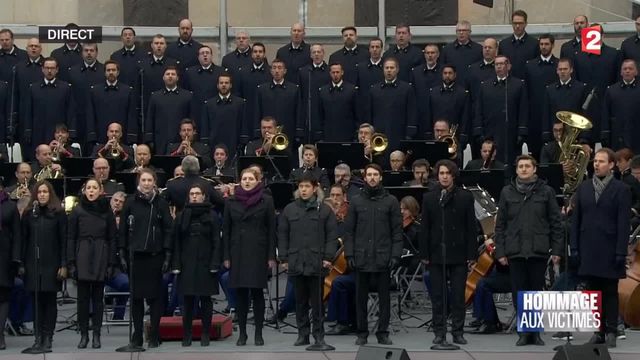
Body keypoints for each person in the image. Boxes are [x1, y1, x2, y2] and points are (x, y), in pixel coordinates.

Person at [494, 155, 563, 346]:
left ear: (534, 169)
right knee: (519, 293)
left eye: (527, 166)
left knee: (535, 293)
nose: (523, 169)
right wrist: (500, 252)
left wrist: (557, 250)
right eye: (520, 166)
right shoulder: (507, 192)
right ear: (516, 170)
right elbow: (499, 226)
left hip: (538, 250)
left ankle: (536, 332)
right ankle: (524, 332)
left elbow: (556, 223)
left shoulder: (546, 192)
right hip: (515, 251)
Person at [570, 148, 630, 348]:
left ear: (611, 165)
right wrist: (575, 248)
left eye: (601, 161)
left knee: (610, 291)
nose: (596, 164)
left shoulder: (621, 189)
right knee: (593, 292)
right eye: (595, 161)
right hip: (588, 247)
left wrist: (621, 250)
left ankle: (611, 330)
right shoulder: (584, 187)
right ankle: (599, 331)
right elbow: (576, 221)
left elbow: (623, 223)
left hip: (610, 247)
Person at [344, 163, 402, 345]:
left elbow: (397, 232)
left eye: (375, 174)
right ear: (364, 177)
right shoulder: (356, 200)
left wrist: (395, 256)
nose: (372, 178)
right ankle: (362, 333)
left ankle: (382, 332)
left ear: (381, 177)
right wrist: (349, 255)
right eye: (369, 174)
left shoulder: (391, 201)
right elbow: (349, 231)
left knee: (385, 298)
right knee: (360, 297)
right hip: (361, 256)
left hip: (383, 257)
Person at [420, 159, 476, 345]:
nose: (444, 176)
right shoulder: (429, 197)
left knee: (458, 295)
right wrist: (425, 254)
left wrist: (471, 255)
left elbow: (471, 228)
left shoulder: (465, 197)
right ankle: (439, 331)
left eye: (447, 173)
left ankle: (458, 332)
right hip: (437, 253)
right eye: (441, 173)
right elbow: (425, 228)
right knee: (438, 296)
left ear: (453, 175)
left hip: (459, 253)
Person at [278, 173, 337, 347]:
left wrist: (328, 257)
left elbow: (332, 236)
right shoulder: (289, 209)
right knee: (300, 301)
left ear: (315, 188)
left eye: (307, 187)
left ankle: (319, 336)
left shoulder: (324, 210)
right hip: (296, 260)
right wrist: (283, 257)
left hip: (317, 261)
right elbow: (282, 235)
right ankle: (302, 334)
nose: (303, 190)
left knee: (317, 302)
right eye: (301, 187)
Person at [118, 169, 173, 348]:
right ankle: (137, 334)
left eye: (150, 180)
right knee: (136, 298)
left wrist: (167, 255)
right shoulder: (130, 203)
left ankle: (154, 333)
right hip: (135, 257)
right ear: (138, 182)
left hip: (155, 256)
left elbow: (168, 230)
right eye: (144, 180)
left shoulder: (161, 203)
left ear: (154, 182)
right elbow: (123, 231)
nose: (147, 183)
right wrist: (122, 253)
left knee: (155, 297)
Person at [222, 167, 276, 346]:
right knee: (241, 295)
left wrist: (270, 256)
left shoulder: (266, 201)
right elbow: (227, 230)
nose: (246, 181)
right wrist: (226, 256)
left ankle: (258, 333)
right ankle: (243, 333)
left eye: (250, 179)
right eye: (244, 178)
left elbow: (271, 231)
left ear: (257, 181)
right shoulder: (231, 202)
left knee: (257, 293)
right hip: (237, 252)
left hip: (258, 252)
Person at [66, 178, 117, 349]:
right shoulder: (77, 210)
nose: (91, 191)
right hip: (83, 253)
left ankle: (96, 334)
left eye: (95, 188)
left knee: (97, 299)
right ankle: (83, 334)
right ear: (84, 190)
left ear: (100, 190)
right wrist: (71, 262)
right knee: (82, 299)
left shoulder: (106, 210)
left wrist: (111, 263)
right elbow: (71, 237)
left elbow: (112, 238)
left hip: (101, 253)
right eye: (89, 188)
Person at [19, 180, 67, 353]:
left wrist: (63, 264)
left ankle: (48, 337)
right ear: (35, 195)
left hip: (52, 263)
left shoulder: (59, 214)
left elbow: (63, 240)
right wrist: (21, 263)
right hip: (33, 263)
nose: (42, 195)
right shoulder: (29, 214)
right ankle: (38, 338)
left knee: (49, 301)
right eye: (39, 192)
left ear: (50, 194)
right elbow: (23, 240)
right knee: (36, 301)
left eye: (45, 192)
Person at [172, 184, 221, 347]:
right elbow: (176, 243)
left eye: (197, 193)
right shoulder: (181, 215)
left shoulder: (212, 215)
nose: (194, 196)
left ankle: (205, 333)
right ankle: (187, 334)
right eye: (191, 193)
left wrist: (215, 262)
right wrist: (176, 264)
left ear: (203, 196)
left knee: (206, 300)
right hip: (187, 263)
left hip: (206, 263)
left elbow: (216, 241)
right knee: (187, 301)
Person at [473, 55, 528, 168]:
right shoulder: (485, 86)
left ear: (509, 66)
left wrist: (521, 131)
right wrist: (479, 131)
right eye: (496, 64)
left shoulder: (518, 84)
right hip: (490, 131)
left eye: (502, 64)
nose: (499, 66)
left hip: (510, 132)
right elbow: (479, 109)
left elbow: (523, 109)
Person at [22, 57, 76, 159]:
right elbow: (28, 111)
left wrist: (71, 132)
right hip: (38, 132)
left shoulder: (65, 88)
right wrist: (28, 131)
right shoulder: (33, 88)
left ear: (57, 69)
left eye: (52, 68)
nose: (49, 71)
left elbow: (70, 111)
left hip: (58, 133)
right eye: (47, 68)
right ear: (42, 69)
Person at [368, 58, 417, 152]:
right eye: (386, 68)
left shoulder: (406, 89)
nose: (389, 70)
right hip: (379, 134)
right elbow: (370, 113)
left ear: (397, 69)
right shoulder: (374, 89)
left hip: (399, 133)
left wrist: (409, 134)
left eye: (392, 68)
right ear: (383, 70)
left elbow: (411, 112)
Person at [86, 59, 137, 145]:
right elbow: (91, 114)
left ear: (118, 72)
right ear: (104, 72)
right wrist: (92, 136)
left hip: (122, 137)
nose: (111, 72)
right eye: (108, 70)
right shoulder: (95, 91)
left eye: (113, 70)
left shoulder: (127, 91)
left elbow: (131, 115)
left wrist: (131, 137)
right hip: (100, 136)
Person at [524, 34, 559, 158]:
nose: (543, 47)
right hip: (535, 116)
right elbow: (526, 91)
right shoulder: (530, 65)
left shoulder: (558, 65)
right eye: (541, 44)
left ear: (552, 45)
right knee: (536, 153)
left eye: (547, 44)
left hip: (554, 116)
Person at [145, 66, 192, 154]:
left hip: (180, 139)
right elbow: (150, 118)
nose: (170, 76)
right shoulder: (155, 96)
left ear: (177, 78)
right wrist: (149, 139)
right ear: (163, 77)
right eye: (167, 74)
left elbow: (191, 118)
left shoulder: (187, 96)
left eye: (173, 74)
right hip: (160, 140)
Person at [255, 59, 303, 144]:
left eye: (280, 68)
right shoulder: (262, 89)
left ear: (285, 71)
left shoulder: (294, 89)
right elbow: (258, 111)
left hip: (288, 132)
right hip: (267, 133)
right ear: (271, 71)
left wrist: (298, 132)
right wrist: (258, 131)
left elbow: (299, 111)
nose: (277, 71)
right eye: (274, 68)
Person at [66, 43, 104, 149]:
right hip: (78, 118)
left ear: (97, 53)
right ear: (82, 53)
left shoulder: (103, 70)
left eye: (92, 50)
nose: (89, 53)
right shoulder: (72, 72)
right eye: (86, 50)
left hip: (98, 119)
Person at [541, 58, 588, 142]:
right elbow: (546, 114)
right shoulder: (550, 90)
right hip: (555, 136)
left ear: (571, 70)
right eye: (560, 69)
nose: (562, 71)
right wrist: (546, 135)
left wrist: (584, 137)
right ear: (557, 71)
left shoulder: (580, 88)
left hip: (574, 136)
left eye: (565, 69)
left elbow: (584, 114)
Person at [201, 72, 245, 160]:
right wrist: (205, 142)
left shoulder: (240, 103)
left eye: (226, 83)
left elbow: (243, 123)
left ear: (231, 85)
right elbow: (205, 125)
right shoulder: (209, 104)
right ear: (217, 85)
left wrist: (242, 141)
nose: (224, 85)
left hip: (233, 142)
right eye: (221, 83)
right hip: (214, 143)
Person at [181, 45, 226, 127]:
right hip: (196, 113)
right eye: (202, 53)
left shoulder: (221, 71)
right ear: (198, 57)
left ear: (211, 56)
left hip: (216, 111)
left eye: (207, 53)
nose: (205, 55)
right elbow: (185, 93)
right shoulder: (190, 73)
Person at [602, 59, 640, 153]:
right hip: (617, 136)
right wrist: (605, 134)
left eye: (630, 68)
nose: (627, 71)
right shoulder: (611, 90)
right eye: (625, 69)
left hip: (637, 136)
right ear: (621, 72)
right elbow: (605, 113)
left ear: (636, 72)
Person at [425, 65, 470, 143]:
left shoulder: (462, 93)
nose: (447, 76)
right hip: (436, 134)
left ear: (455, 75)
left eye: (450, 73)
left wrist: (463, 134)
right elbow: (429, 113)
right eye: (445, 73)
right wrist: (429, 132)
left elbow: (465, 116)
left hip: (455, 135)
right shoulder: (433, 92)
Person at [0, 184, 21, 350]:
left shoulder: (10, 206)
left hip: (4, 257)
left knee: (3, 296)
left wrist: (16, 259)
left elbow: (17, 234)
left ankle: (0, 335)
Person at [317, 62, 358, 142]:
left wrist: (355, 134)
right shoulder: (323, 91)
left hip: (347, 134)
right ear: (330, 73)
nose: (335, 75)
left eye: (337, 72)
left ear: (342, 72)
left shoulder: (351, 90)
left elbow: (356, 113)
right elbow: (320, 114)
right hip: (328, 134)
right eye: (333, 72)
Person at [298, 44, 331, 143]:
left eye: (319, 52)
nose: (316, 54)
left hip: (326, 110)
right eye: (314, 52)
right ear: (310, 55)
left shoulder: (329, 71)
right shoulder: (304, 71)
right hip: (309, 112)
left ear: (323, 54)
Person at [498, 10, 539, 80]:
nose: (517, 26)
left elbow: (537, 67)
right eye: (515, 23)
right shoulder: (503, 44)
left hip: (528, 84)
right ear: (512, 24)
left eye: (520, 23)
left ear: (526, 24)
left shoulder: (535, 44)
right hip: (509, 85)